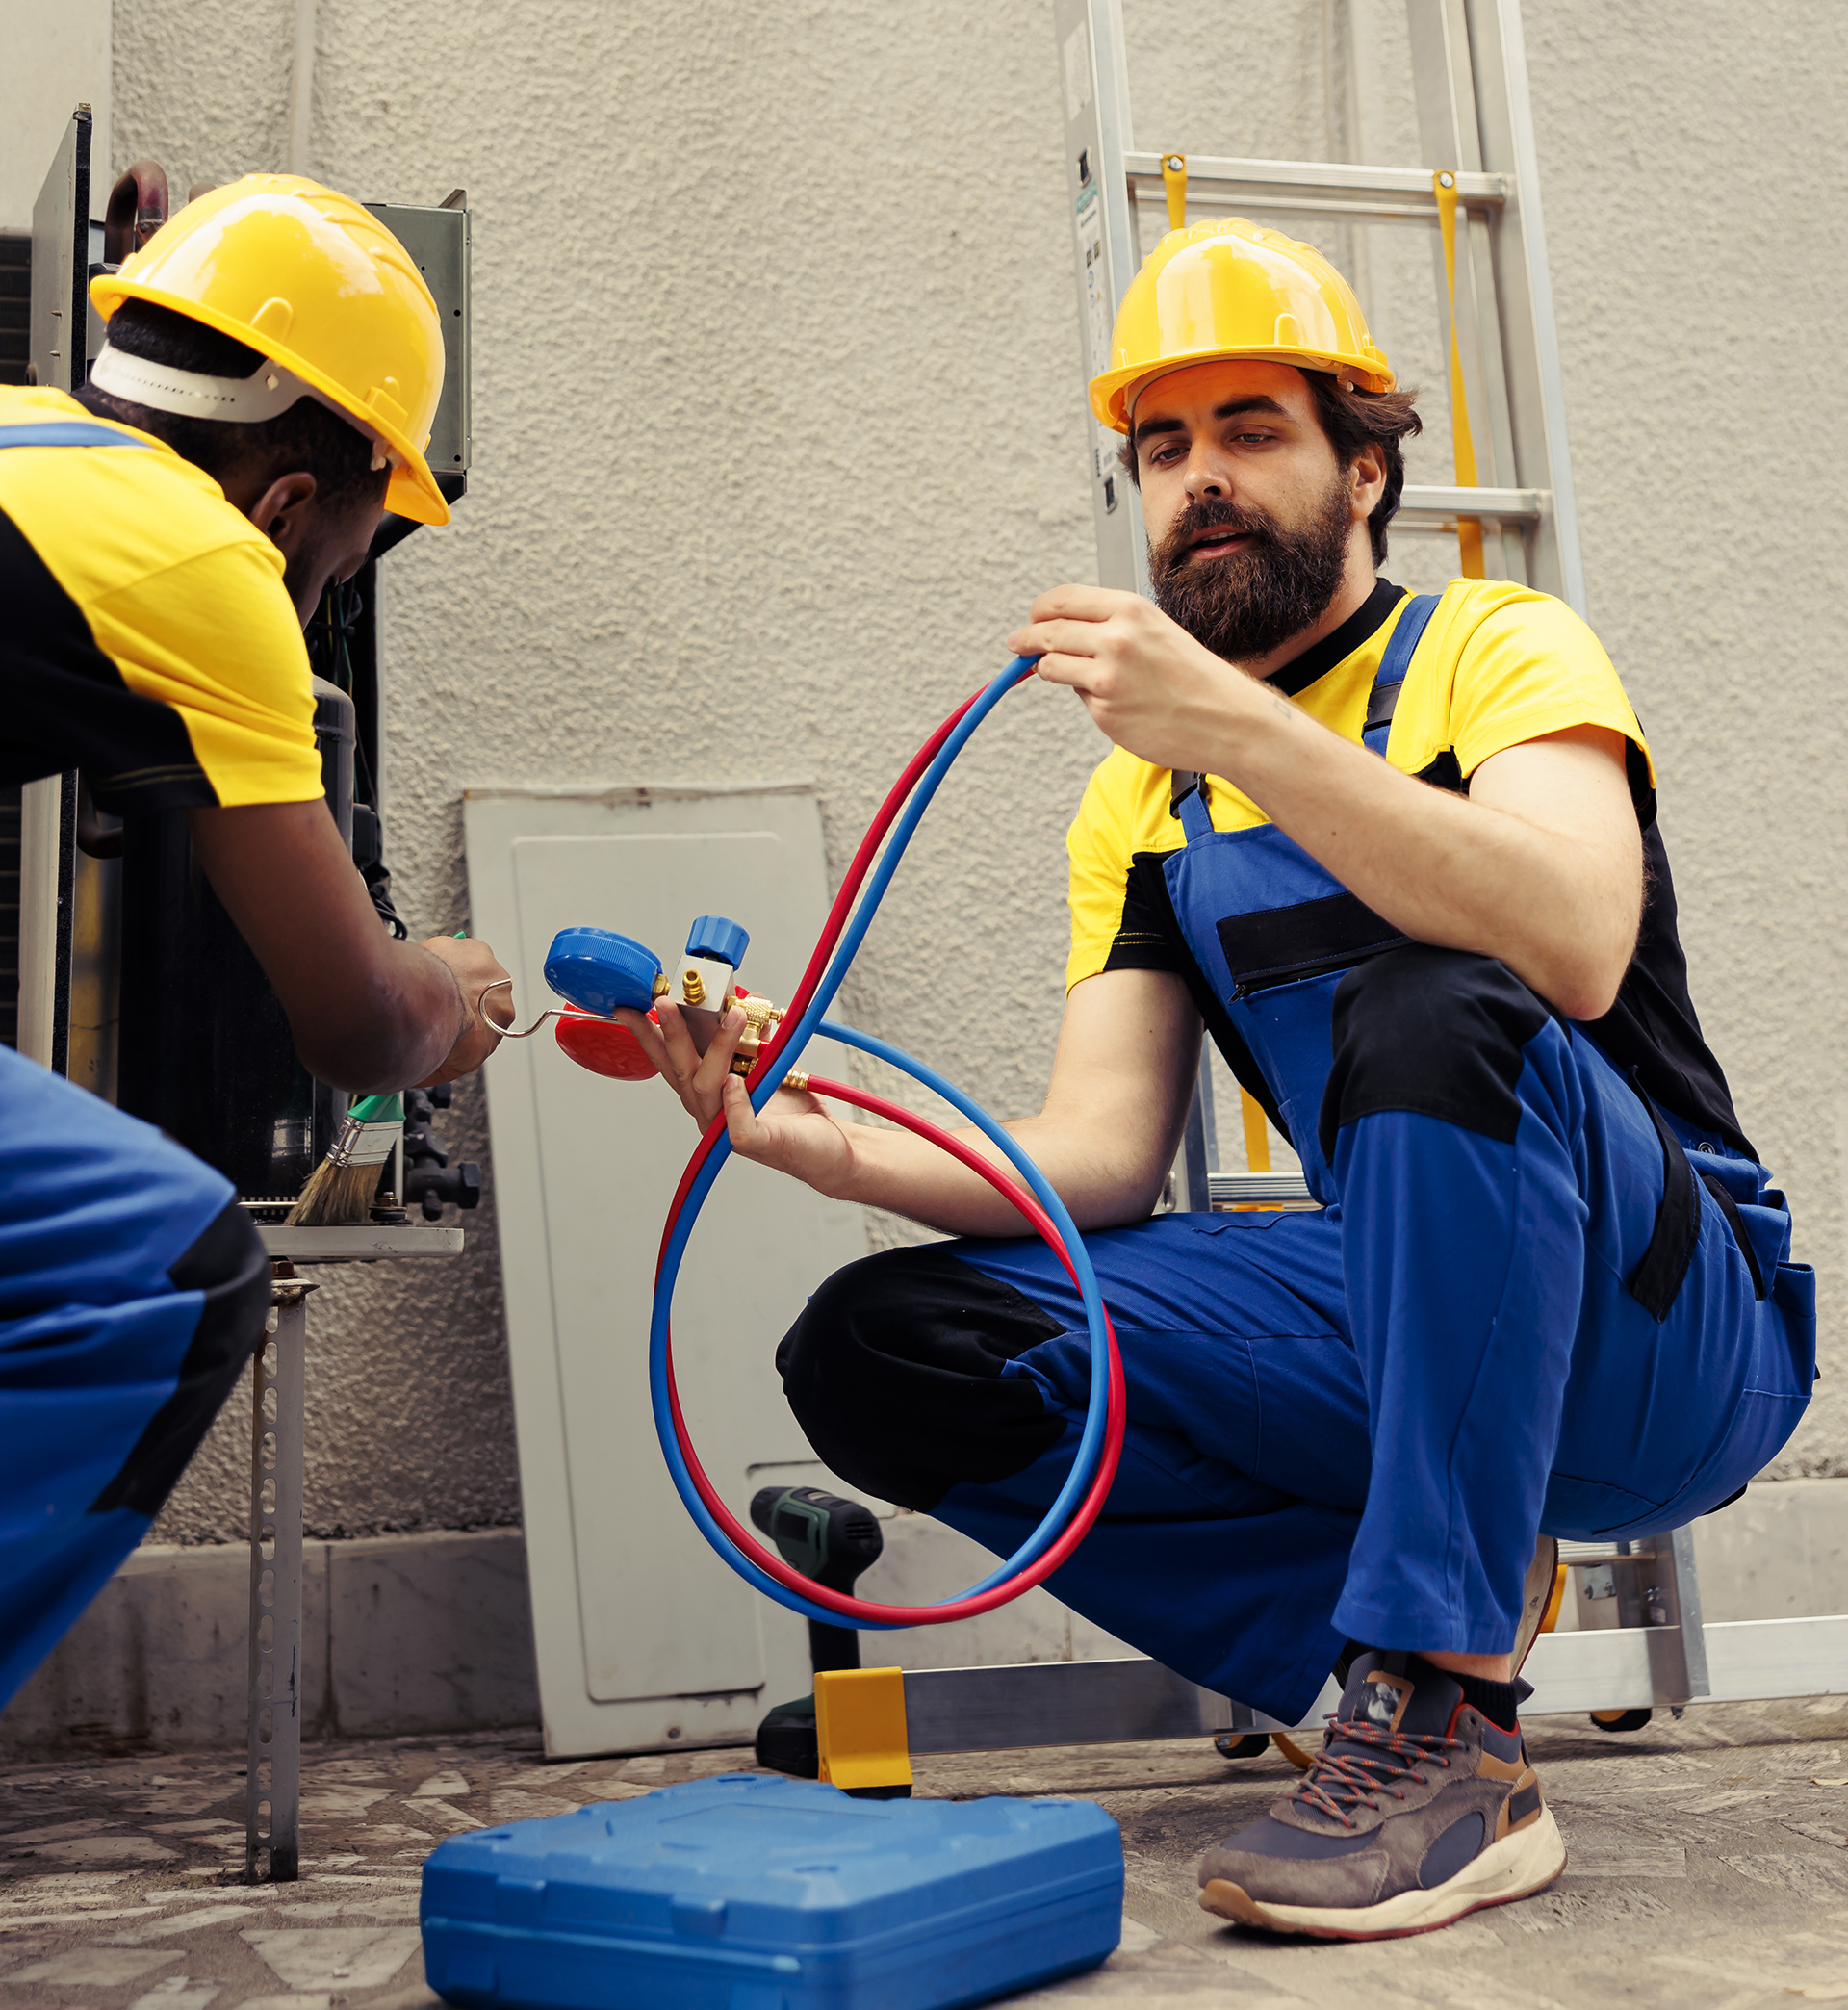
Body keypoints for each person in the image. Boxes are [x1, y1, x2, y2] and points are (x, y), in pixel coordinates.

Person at [629, 217, 1814, 1940]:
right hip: (1400, 1314)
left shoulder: (1499, 647)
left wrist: (1245, 726)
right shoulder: (1144, 805)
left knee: (1435, 1002)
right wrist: (815, 1143)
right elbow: (1099, 1157)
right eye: (1164, 447)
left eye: (1252, 430)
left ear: (1367, 468)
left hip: (1666, 1330)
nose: (1200, 480)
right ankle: (1397, 1676)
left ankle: (1449, 1713)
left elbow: (1568, 940)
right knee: (891, 1349)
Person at [0, 175, 512, 1710]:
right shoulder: (210, 565)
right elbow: (356, 1026)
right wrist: (450, 993)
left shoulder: (26, 440)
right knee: (158, 1262)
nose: (312, 605)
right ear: (290, 503)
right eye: (335, 576)